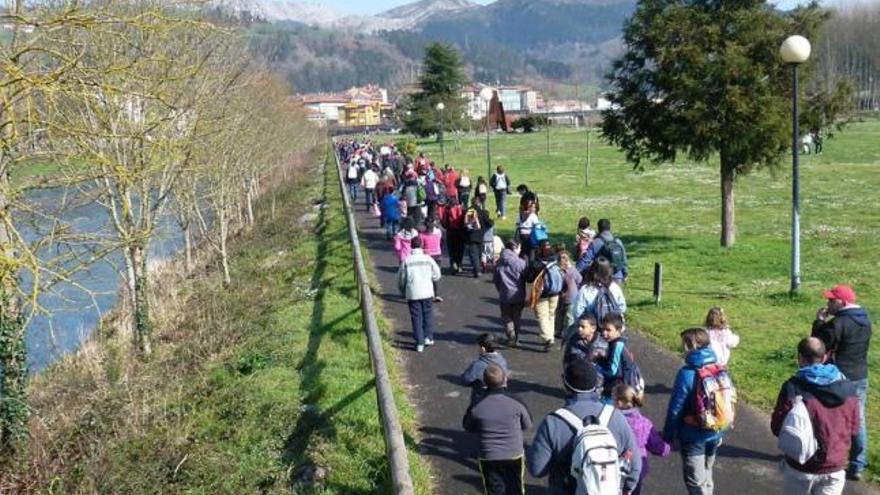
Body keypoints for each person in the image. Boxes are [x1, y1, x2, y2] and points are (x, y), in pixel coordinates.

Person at [526, 359, 642, 495]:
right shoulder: (616, 417)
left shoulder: (553, 422)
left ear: (565, 384)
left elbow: (537, 469)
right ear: (595, 383)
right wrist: (626, 489)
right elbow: (635, 465)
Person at [771, 337, 861, 495]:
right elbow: (855, 429)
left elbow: (778, 427)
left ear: (800, 358)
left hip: (801, 466)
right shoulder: (849, 387)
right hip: (835, 465)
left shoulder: (793, 387)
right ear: (825, 357)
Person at [811, 284, 872, 480]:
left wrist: (819, 321)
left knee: (827, 417)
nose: (828, 303)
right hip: (860, 375)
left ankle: (825, 456)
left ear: (842, 302)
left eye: (831, 300)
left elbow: (817, 345)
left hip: (838, 377)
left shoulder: (838, 323)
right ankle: (857, 464)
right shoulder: (865, 320)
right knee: (858, 419)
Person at [662, 328, 731, 495]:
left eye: (684, 345)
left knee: (695, 482)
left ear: (691, 346)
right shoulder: (718, 368)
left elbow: (675, 409)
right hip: (716, 431)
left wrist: (668, 435)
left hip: (692, 435)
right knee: (707, 474)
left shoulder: (686, 374)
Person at [463, 363, 532, 495]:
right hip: (514, 453)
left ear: (484, 382)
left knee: (494, 489)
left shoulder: (477, 404)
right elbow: (527, 425)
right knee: (515, 487)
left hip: (489, 455)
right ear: (505, 379)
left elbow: (468, 427)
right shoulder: (517, 401)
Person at [614, 384, 671, 495]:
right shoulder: (644, 423)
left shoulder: (612, 421)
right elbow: (658, 447)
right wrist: (667, 447)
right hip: (637, 466)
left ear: (619, 402)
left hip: (616, 464)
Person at [397, 236, 441, 353]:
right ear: (421, 245)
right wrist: (431, 279)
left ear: (411, 246)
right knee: (428, 314)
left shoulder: (407, 261)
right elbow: (437, 274)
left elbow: (401, 278)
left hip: (413, 292)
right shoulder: (428, 259)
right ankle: (428, 337)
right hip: (427, 291)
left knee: (416, 317)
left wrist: (402, 290)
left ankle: (419, 342)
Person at [526, 240, 563, 350]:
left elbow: (529, 278)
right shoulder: (556, 261)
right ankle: (550, 336)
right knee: (551, 315)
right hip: (555, 292)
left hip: (542, 294)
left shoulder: (538, 265)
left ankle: (547, 338)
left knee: (542, 316)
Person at [569, 257, 627, 327]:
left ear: (592, 271)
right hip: (611, 328)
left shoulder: (586, 289)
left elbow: (577, 312)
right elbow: (622, 308)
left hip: (592, 329)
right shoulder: (615, 287)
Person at [494, 240, 527, 345]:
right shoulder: (520, 263)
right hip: (518, 294)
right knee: (517, 316)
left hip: (504, 294)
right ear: (515, 249)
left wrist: (500, 289)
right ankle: (516, 338)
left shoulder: (499, 262)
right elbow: (527, 277)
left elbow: (496, 279)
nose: (520, 250)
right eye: (519, 248)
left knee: (506, 316)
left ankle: (510, 333)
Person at [461, 333, 509, 404]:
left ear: (483, 349)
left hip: (482, 397)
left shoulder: (478, 364)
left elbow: (466, 379)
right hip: (501, 394)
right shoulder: (502, 360)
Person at [596, 313, 636, 398]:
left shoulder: (617, 345)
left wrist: (596, 368)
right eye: (603, 329)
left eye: (608, 330)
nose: (604, 333)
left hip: (618, 390)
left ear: (618, 331)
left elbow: (612, 371)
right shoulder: (617, 343)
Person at [576, 218, 628, 283]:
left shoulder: (596, 242)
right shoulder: (618, 241)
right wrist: (625, 273)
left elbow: (586, 260)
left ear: (599, 228)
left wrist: (576, 270)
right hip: (618, 276)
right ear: (609, 228)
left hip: (603, 277)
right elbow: (623, 259)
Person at [554, 248, 582, 340]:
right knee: (566, 316)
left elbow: (579, 279)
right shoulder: (570, 270)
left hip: (564, 296)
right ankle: (565, 332)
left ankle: (562, 331)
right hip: (570, 296)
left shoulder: (559, 271)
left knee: (563, 315)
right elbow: (579, 279)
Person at [464, 201, 491, 278]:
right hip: (480, 236)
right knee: (479, 253)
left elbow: (465, 224)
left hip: (471, 235)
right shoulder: (482, 212)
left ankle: (477, 270)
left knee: (473, 254)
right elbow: (488, 222)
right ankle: (477, 268)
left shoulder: (468, 211)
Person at [420, 218, 444, 302]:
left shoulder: (422, 235)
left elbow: (421, 246)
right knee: (436, 276)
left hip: (427, 256)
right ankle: (436, 294)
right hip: (437, 255)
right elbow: (441, 241)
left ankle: (428, 293)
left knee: (427, 276)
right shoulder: (438, 233)